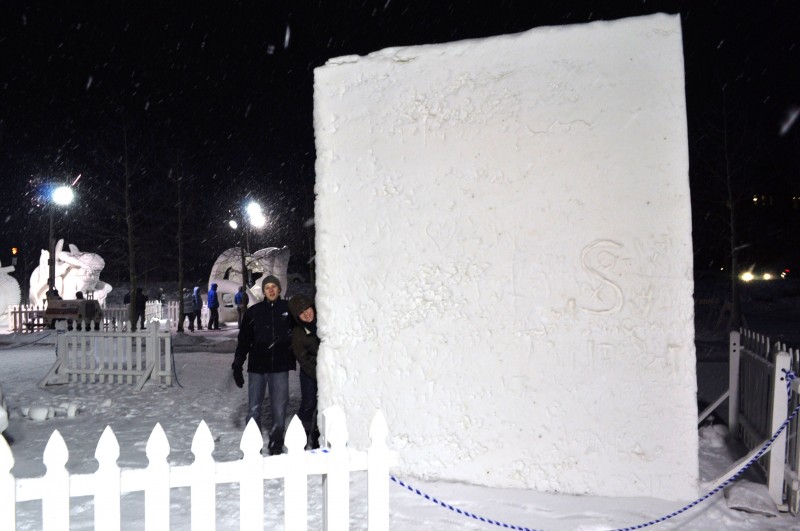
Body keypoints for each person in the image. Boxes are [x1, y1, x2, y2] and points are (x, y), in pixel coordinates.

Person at [231, 275, 295, 455]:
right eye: (268, 287)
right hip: (257, 368)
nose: (271, 290)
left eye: (275, 287)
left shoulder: (288, 310)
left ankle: (276, 444)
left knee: (279, 409)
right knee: (253, 409)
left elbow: (303, 328)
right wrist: (237, 364)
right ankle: (253, 446)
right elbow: (243, 341)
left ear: (280, 290)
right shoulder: (254, 312)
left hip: (280, 367)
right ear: (264, 291)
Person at [288, 293, 320, 449]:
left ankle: (317, 439)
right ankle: (300, 438)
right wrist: (320, 375)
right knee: (309, 404)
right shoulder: (298, 333)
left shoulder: (323, 324)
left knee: (323, 406)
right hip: (309, 373)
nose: (307, 313)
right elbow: (304, 360)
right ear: (297, 316)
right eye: (301, 312)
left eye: (307, 308)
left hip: (326, 373)